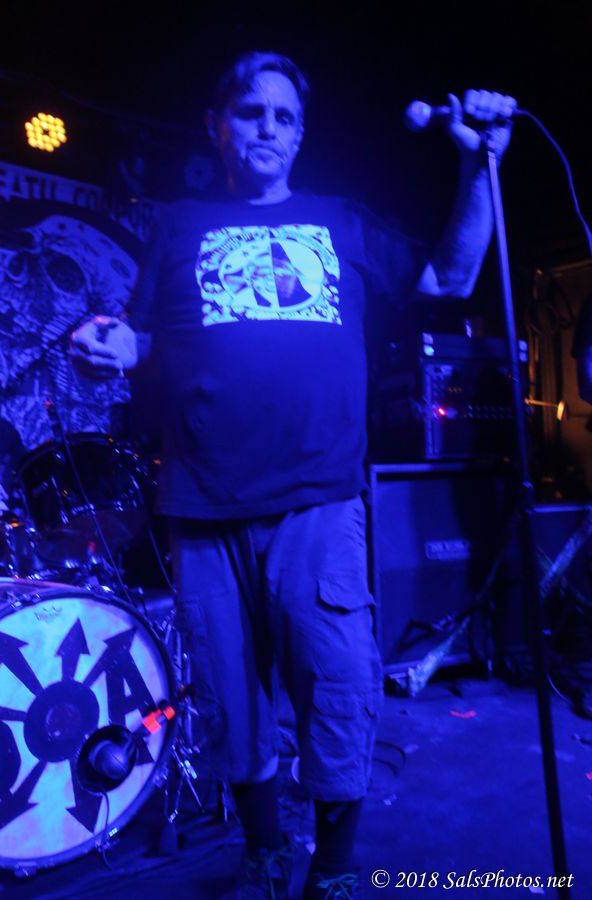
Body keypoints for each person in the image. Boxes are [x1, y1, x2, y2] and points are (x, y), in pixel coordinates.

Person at [70, 52, 516, 899]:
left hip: (318, 501)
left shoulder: (341, 219)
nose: (267, 128)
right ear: (218, 127)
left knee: (338, 686)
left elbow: (451, 276)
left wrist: (478, 165)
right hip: (203, 503)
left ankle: (334, 868)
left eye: (282, 116)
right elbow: (143, 336)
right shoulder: (180, 225)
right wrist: (112, 346)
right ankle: (267, 851)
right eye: (250, 112)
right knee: (230, 702)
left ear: (301, 134)